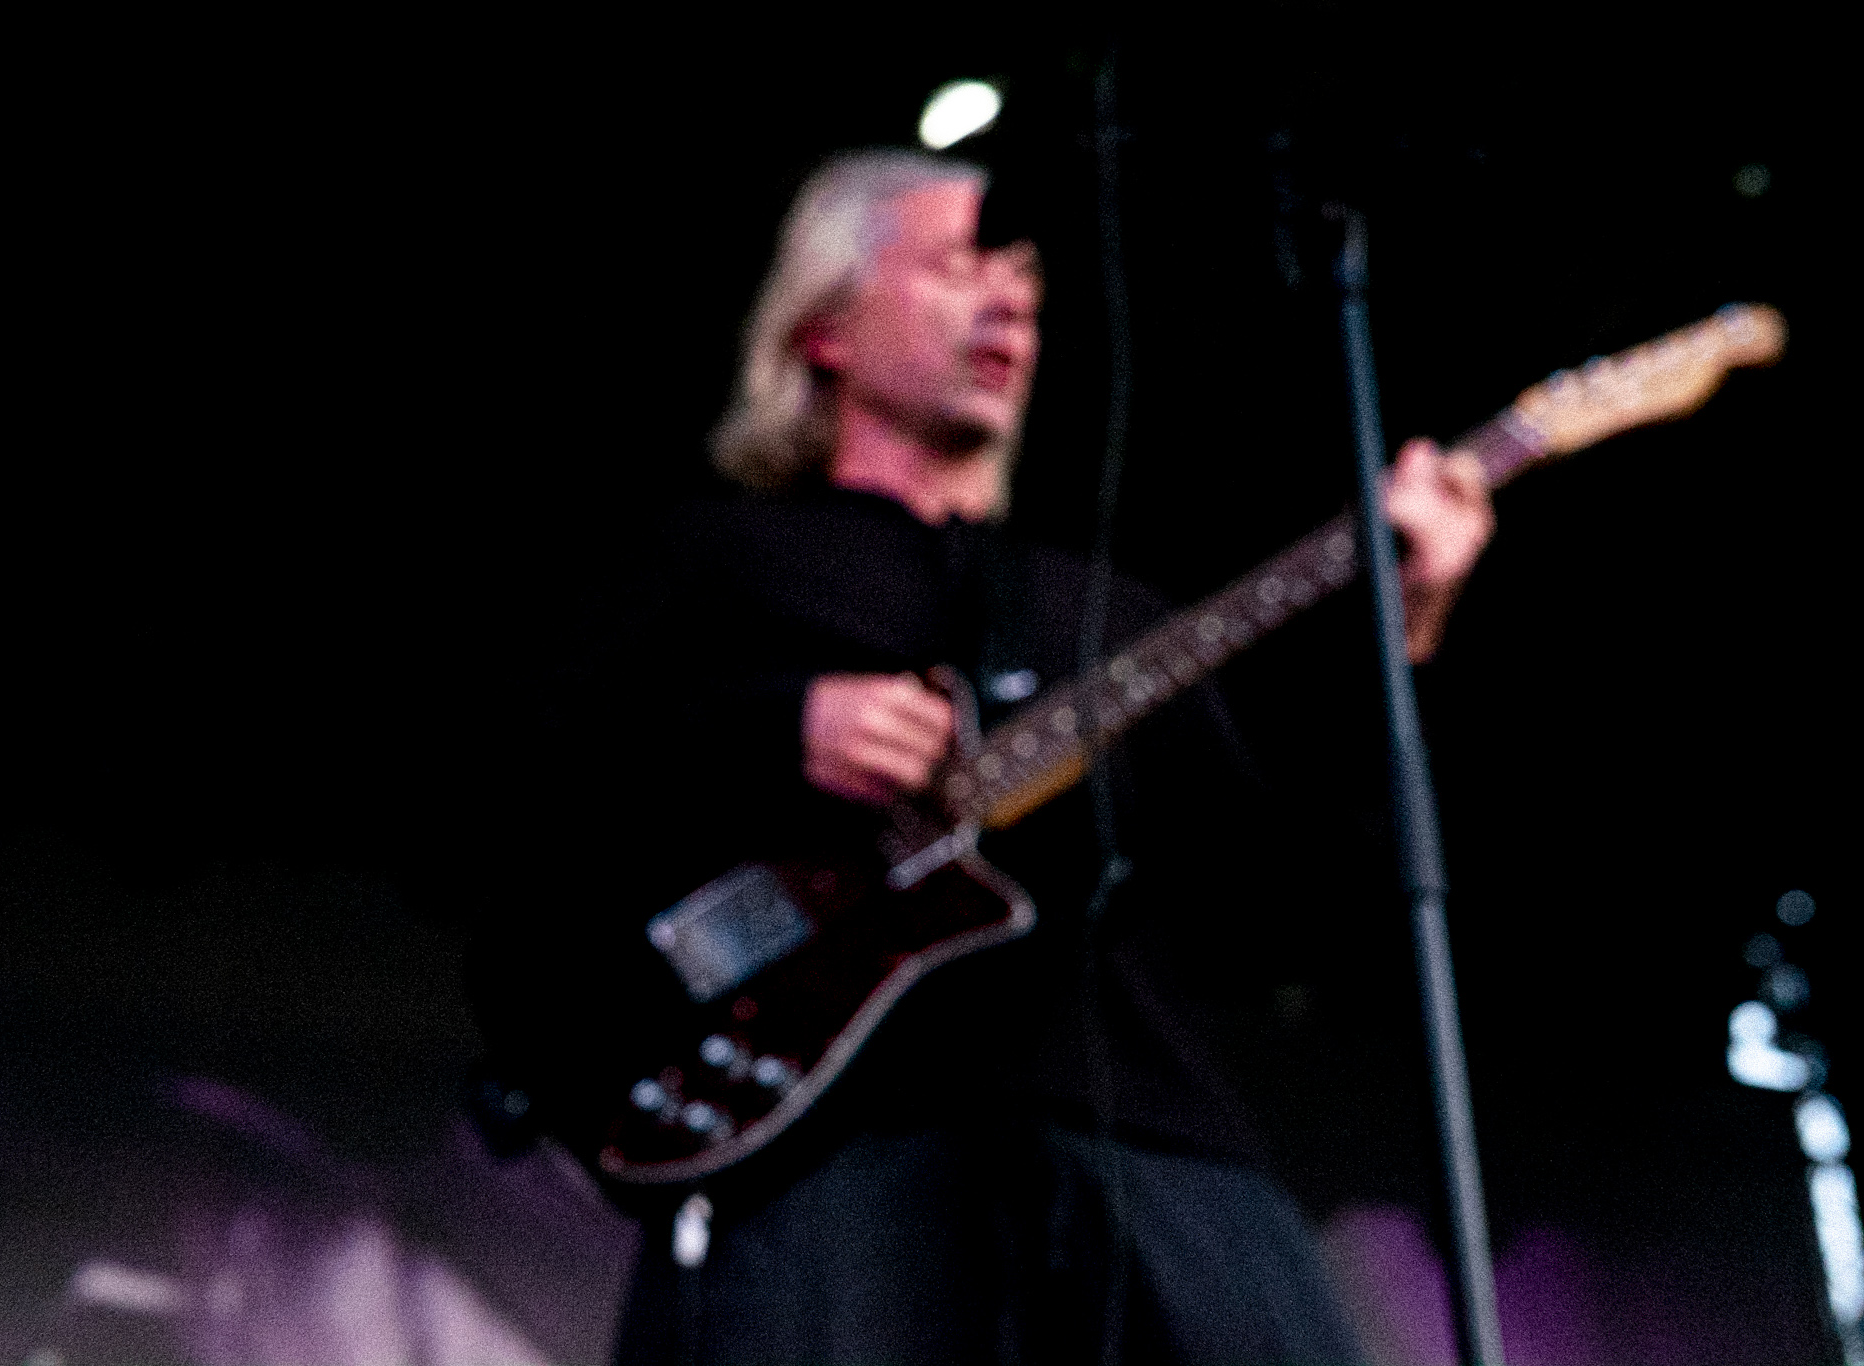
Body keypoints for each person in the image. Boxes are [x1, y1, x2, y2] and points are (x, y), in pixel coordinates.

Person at [522, 149, 1493, 1365]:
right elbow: (518, 797)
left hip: (1149, 1144)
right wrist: (777, 725)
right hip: (832, 1144)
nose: (1009, 304)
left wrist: (1399, 630)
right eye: (956, 266)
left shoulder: (1105, 614)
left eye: (1026, 286)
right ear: (822, 329)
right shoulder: (714, 561)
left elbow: (1290, 906)